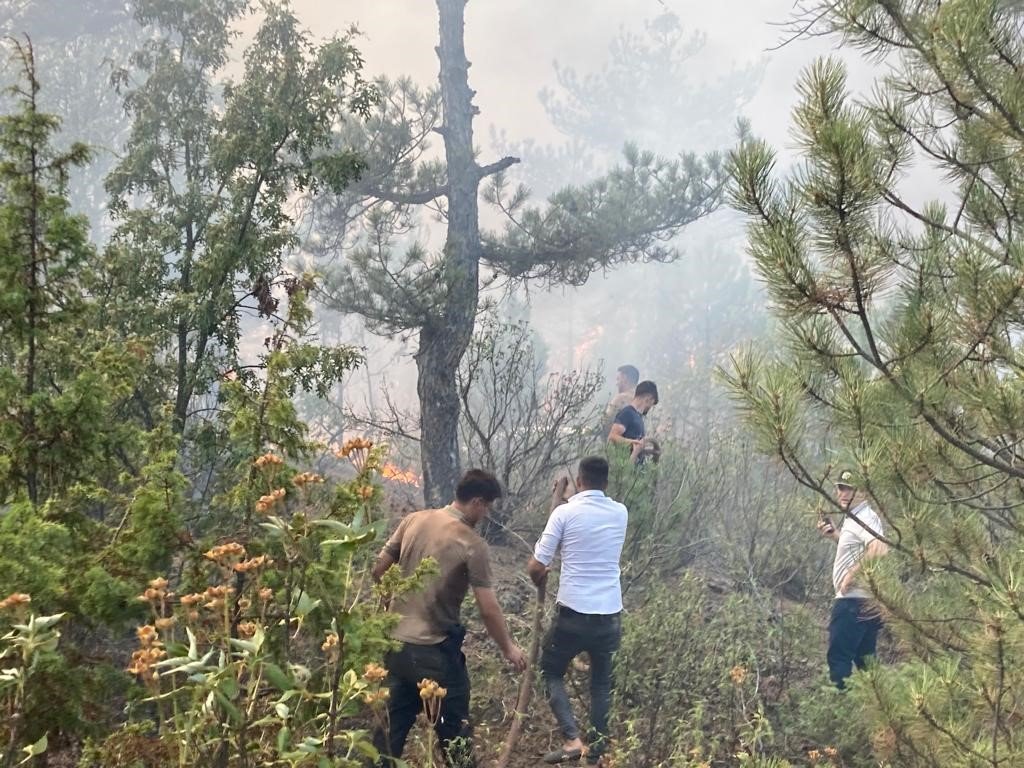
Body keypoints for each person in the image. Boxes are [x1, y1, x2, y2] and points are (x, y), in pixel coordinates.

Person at [371, 469, 527, 767]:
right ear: (478, 502)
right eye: (488, 507)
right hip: (434, 651)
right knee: (455, 734)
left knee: (388, 734)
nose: (486, 514)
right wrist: (509, 647)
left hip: (395, 646)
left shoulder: (414, 519)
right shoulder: (472, 543)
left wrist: (392, 606)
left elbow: (379, 570)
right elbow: (488, 607)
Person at [527, 456, 628, 766]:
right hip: (609, 615)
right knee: (600, 684)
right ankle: (597, 753)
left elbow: (536, 566)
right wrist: (563, 501)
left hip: (572, 615)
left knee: (550, 671)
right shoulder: (620, 512)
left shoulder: (564, 514)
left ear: (580, 481)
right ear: (607, 483)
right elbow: (590, 512)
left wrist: (539, 577)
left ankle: (572, 740)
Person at [817, 469, 889, 689]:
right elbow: (861, 548)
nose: (844, 493)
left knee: (839, 658)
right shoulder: (855, 517)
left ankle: (840, 711)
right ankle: (883, 715)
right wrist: (836, 536)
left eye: (850, 488)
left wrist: (850, 574)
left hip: (852, 602)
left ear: (864, 491)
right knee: (866, 661)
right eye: (841, 487)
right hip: (864, 602)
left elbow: (879, 548)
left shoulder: (864, 516)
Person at [607, 380, 659, 463]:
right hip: (624, 467)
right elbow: (612, 436)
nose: (650, 408)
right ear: (648, 398)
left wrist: (648, 451)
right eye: (651, 404)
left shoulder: (638, 417)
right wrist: (634, 443)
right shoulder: (627, 413)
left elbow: (634, 446)